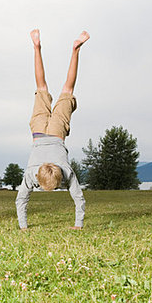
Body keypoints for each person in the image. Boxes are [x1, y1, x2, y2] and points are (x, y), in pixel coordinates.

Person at [15, 29, 89, 230]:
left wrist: (24, 228)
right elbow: (78, 198)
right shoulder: (44, 173)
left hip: (56, 132)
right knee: (42, 87)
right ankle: (37, 47)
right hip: (39, 132)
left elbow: (22, 200)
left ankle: (73, 49)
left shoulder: (36, 174)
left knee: (66, 89)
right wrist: (77, 225)